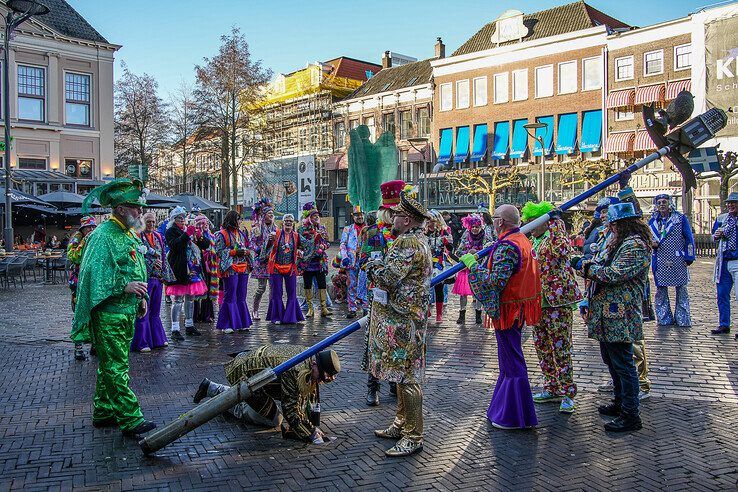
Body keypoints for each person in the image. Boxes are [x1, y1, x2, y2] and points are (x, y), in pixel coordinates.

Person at [70, 178, 156, 436]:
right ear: (120, 208)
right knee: (116, 366)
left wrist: (141, 298)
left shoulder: (127, 233)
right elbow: (93, 273)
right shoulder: (102, 236)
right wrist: (124, 287)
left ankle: (104, 410)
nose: (140, 212)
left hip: (125, 311)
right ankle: (131, 418)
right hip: (109, 313)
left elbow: (136, 267)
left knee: (112, 363)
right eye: (135, 207)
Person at [364, 189, 432, 457]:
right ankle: (401, 423)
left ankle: (414, 436)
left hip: (403, 320)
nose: (391, 219)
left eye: (396, 215)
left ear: (406, 219)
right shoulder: (420, 240)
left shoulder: (407, 243)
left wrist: (372, 266)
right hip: (409, 317)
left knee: (407, 376)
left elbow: (388, 278)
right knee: (402, 376)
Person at [464, 204, 541, 430]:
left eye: (495, 217)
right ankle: (507, 409)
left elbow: (494, 282)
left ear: (501, 222)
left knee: (512, 361)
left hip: (509, 311)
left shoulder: (509, 246)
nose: (493, 220)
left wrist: (473, 267)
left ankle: (513, 416)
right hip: (515, 309)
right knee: (509, 361)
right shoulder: (521, 240)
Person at [578, 202, 650, 432]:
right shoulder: (616, 243)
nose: (610, 228)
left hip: (621, 312)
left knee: (624, 363)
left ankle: (631, 414)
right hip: (608, 312)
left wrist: (584, 267)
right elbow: (600, 263)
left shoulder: (634, 245)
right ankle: (620, 403)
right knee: (611, 359)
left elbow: (614, 273)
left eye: (613, 224)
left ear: (624, 224)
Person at [193, 345, 341, 444]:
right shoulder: (296, 370)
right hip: (244, 373)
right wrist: (310, 432)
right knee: (273, 419)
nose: (322, 381)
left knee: (279, 411)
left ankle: (215, 388)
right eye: (322, 376)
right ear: (315, 365)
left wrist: (310, 424)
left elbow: (306, 396)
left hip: (258, 371)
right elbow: (290, 409)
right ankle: (214, 390)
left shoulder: (310, 356)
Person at [521, 202, 581, 414]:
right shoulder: (533, 241)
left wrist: (555, 222)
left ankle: (567, 392)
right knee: (542, 346)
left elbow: (562, 251)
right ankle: (552, 386)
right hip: (538, 302)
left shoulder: (555, 238)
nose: (531, 226)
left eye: (534, 222)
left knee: (561, 347)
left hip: (557, 301)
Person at [360, 179, 403, 407]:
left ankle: (395, 383)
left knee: (397, 342)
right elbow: (364, 260)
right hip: (378, 295)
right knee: (376, 342)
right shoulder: (374, 233)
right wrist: (380, 271)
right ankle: (372, 387)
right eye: (397, 212)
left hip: (401, 297)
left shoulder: (406, 236)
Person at [649, 194, 695, 327]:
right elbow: (647, 237)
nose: (662, 204)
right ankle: (664, 318)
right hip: (660, 259)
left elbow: (689, 238)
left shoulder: (680, 218)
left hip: (678, 258)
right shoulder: (652, 221)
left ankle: (682, 318)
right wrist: (651, 243)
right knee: (661, 290)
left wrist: (689, 256)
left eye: (664, 202)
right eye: (659, 202)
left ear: (670, 204)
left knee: (681, 289)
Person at [164, 206, 206, 340]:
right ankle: (175, 328)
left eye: (183, 217)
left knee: (190, 297)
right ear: (173, 220)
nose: (182, 220)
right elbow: (175, 245)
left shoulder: (188, 230)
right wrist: (187, 234)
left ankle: (189, 325)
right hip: (180, 268)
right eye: (179, 218)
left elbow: (204, 245)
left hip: (192, 268)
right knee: (178, 299)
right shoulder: (171, 231)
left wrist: (199, 236)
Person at [131, 212, 171, 353]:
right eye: (148, 222)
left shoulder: (159, 236)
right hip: (145, 279)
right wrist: (152, 263)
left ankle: (157, 338)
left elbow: (163, 256)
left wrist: (164, 274)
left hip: (157, 278)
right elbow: (135, 258)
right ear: (143, 222)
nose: (151, 225)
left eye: (153, 222)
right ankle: (142, 341)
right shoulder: (138, 236)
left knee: (155, 310)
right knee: (144, 310)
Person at [215, 210, 253, 334]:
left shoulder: (242, 233)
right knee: (230, 295)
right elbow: (219, 251)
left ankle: (242, 322)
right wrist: (234, 252)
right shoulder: (222, 234)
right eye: (238, 219)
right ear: (232, 219)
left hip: (243, 267)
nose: (240, 221)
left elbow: (247, 246)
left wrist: (246, 251)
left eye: (240, 218)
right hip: (230, 268)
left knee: (242, 295)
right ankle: (227, 324)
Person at [453, 214, 494, 325]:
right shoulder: (466, 236)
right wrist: (468, 252)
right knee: (463, 293)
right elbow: (458, 252)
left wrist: (478, 253)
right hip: (466, 267)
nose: (475, 229)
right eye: (473, 227)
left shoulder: (486, 236)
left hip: (479, 268)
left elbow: (490, 249)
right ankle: (462, 314)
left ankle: (478, 314)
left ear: (481, 227)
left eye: (477, 227)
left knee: (479, 292)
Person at [265, 214, 304, 325]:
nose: (288, 222)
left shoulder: (296, 236)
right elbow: (266, 249)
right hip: (276, 267)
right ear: (282, 222)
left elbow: (304, 246)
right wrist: (269, 241)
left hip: (290, 267)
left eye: (290, 221)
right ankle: (277, 316)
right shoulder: (275, 234)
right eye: (286, 220)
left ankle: (291, 317)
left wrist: (300, 251)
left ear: (293, 223)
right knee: (277, 292)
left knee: (292, 292)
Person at [68, 216, 97, 361]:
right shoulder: (76, 241)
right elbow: (74, 257)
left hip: (94, 281)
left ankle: (94, 344)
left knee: (95, 312)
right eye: (88, 228)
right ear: (82, 229)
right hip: (79, 282)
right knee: (79, 312)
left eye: (93, 227)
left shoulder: (98, 240)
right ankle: (78, 347)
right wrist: (84, 242)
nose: (91, 230)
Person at [297, 203, 331, 318]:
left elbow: (327, 242)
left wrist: (324, 246)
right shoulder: (301, 229)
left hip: (320, 262)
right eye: (313, 215)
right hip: (307, 262)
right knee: (308, 285)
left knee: (322, 284)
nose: (316, 217)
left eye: (317, 215)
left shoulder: (322, 228)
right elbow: (300, 244)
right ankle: (310, 308)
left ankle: (324, 308)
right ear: (308, 217)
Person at [712, 192, 738, 337]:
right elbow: (713, 235)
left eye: (734, 203)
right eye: (729, 203)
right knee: (722, 294)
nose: (731, 205)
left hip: (737, 260)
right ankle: (724, 324)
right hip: (723, 261)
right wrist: (715, 236)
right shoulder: (722, 219)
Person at [249, 198, 276, 320]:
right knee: (261, 288)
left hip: (273, 260)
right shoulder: (257, 228)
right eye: (269, 214)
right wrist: (258, 249)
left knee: (273, 287)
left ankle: (272, 311)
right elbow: (251, 243)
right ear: (264, 215)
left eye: (272, 214)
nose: (271, 216)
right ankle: (255, 310)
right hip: (261, 261)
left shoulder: (275, 228)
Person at [426, 210, 453, 324]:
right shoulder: (423, 232)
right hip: (426, 263)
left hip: (438, 264)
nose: (430, 223)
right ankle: (426, 309)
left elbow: (450, 248)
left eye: (432, 221)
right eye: (428, 221)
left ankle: (439, 314)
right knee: (425, 287)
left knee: (438, 288)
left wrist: (446, 241)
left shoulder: (443, 232)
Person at [192, 215, 219, 323]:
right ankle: (195, 315)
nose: (205, 225)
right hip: (198, 267)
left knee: (207, 291)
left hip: (210, 268)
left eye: (206, 223)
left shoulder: (212, 236)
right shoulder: (195, 236)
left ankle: (207, 314)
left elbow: (215, 250)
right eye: (202, 223)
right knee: (197, 291)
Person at [340, 206, 366, 319]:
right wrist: (344, 256)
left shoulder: (369, 228)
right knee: (351, 285)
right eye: (357, 215)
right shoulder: (348, 229)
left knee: (365, 284)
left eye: (361, 214)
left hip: (365, 261)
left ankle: (366, 308)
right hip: (351, 262)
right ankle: (352, 308)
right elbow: (343, 244)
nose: (359, 216)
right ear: (353, 216)